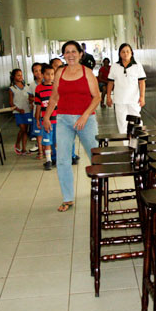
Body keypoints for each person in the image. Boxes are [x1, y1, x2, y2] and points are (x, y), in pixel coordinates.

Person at [43, 41, 100, 212]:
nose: (71, 55)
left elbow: (97, 97)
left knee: (95, 157)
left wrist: (84, 116)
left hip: (86, 120)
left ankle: (101, 191)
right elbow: (54, 98)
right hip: (64, 121)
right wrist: (46, 117)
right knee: (62, 159)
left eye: (74, 51)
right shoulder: (59, 73)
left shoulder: (87, 73)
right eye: (67, 52)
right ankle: (67, 198)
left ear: (80, 54)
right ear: (63, 55)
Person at [106, 43, 146, 133]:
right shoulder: (115, 66)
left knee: (136, 121)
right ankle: (126, 144)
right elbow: (110, 82)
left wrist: (142, 97)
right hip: (120, 100)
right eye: (123, 52)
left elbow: (142, 82)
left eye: (128, 51)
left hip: (134, 100)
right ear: (120, 54)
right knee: (122, 123)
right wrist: (108, 97)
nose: (125, 53)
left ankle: (138, 143)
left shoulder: (137, 66)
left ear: (131, 53)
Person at [50, 57, 81, 165]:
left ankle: (71, 155)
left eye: (61, 65)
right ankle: (54, 156)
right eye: (56, 66)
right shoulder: (49, 84)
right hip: (54, 116)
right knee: (54, 137)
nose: (59, 68)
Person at [35, 64, 57, 170]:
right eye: (48, 74)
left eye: (52, 74)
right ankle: (48, 160)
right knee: (47, 140)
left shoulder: (56, 87)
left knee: (57, 141)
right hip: (46, 120)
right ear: (42, 74)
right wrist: (37, 118)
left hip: (57, 119)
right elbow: (38, 105)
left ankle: (58, 158)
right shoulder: (39, 88)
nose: (50, 77)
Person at [8, 69, 32, 155]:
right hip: (18, 112)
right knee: (22, 128)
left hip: (27, 111)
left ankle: (24, 149)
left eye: (21, 75)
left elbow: (30, 98)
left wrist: (31, 103)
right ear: (13, 77)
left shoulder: (26, 86)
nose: (20, 77)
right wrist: (18, 109)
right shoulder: (12, 89)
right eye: (18, 75)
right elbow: (11, 103)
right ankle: (17, 142)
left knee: (25, 130)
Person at [28, 62, 43, 158]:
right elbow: (30, 98)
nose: (38, 73)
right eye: (35, 71)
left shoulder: (48, 82)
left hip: (47, 112)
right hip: (37, 112)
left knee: (48, 132)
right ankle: (40, 151)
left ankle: (48, 151)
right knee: (39, 133)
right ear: (33, 73)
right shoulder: (32, 85)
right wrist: (36, 99)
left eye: (40, 70)